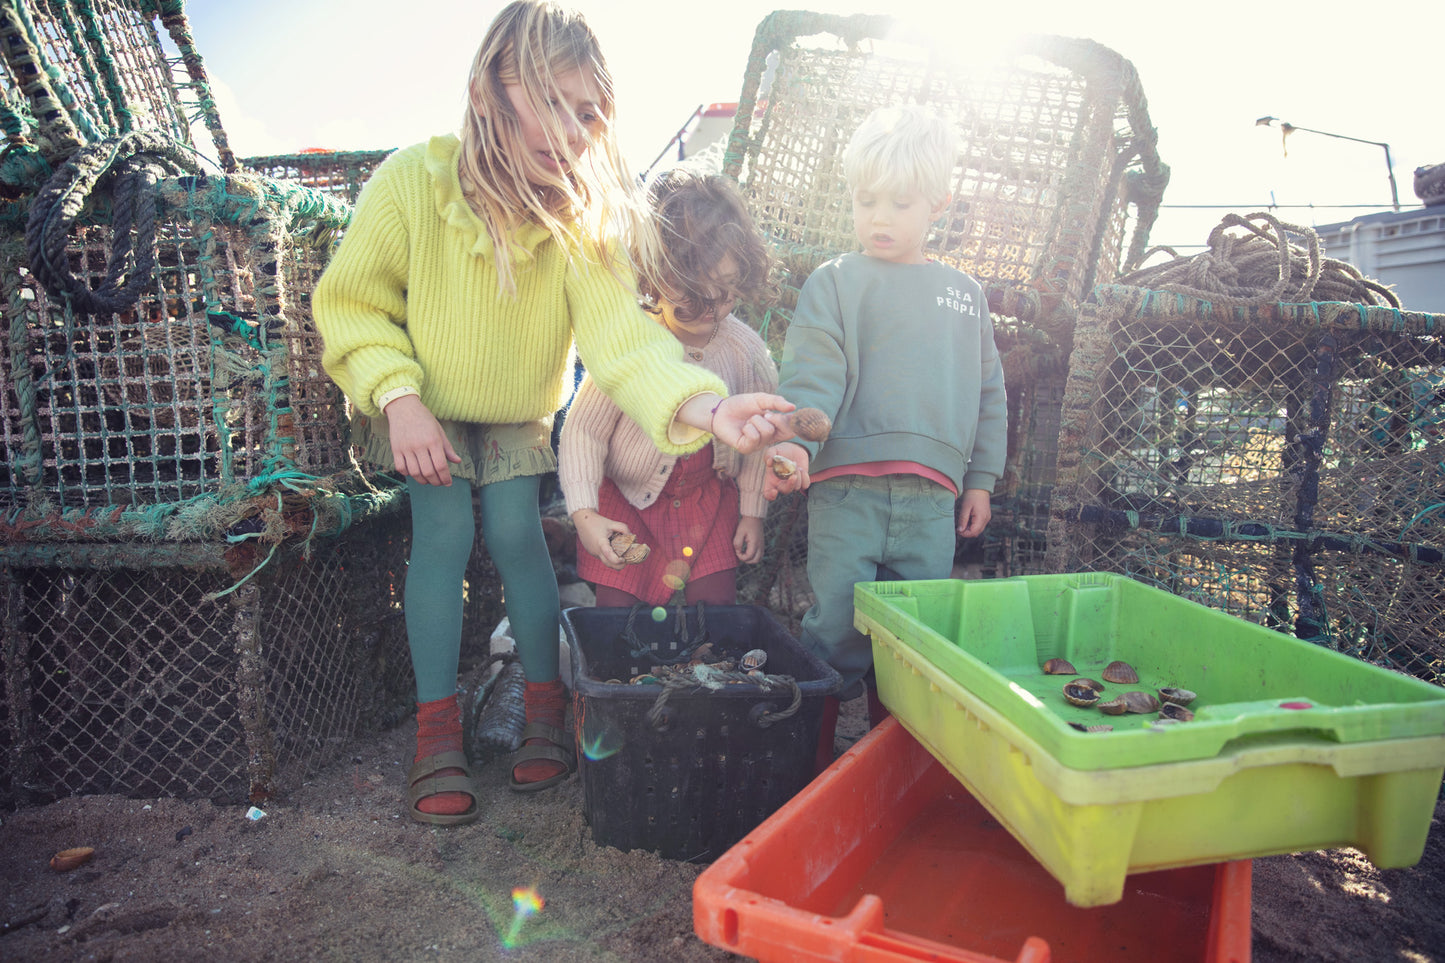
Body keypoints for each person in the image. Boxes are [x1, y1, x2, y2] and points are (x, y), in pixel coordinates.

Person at [314, 0, 794, 826]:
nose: (569, 129)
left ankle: (543, 707)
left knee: (515, 537)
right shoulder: (410, 184)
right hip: (420, 407)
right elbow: (352, 306)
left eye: (587, 113)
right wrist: (396, 397)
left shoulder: (581, 219)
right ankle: (438, 731)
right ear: (487, 87)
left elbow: (622, 343)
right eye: (549, 100)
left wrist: (708, 409)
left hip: (514, 415)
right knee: (444, 538)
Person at [762, 104, 1007, 773]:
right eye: (865, 200)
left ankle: (887, 771)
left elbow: (988, 391)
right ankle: (806, 763)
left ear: (938, 205)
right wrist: (795, 446)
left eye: (900, 202)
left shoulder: (964, 295)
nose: (879, 217)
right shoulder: (835, 282)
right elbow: (813, 375)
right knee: (836, 624)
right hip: (848, 492)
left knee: (911, 639)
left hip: (932, 500)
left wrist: (981, 478)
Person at [559, 167, 780, 607]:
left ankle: (703, 674)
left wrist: (752, 513)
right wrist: (585, 515)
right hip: (625, 498)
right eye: (694, 294)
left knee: (714, 612)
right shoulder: (631, 345)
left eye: (727, 291)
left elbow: (760, 438)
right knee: (616, 614)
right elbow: (584, 431)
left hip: (707, 501)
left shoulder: (745, 351)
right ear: (650, 272)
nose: (711, 308)